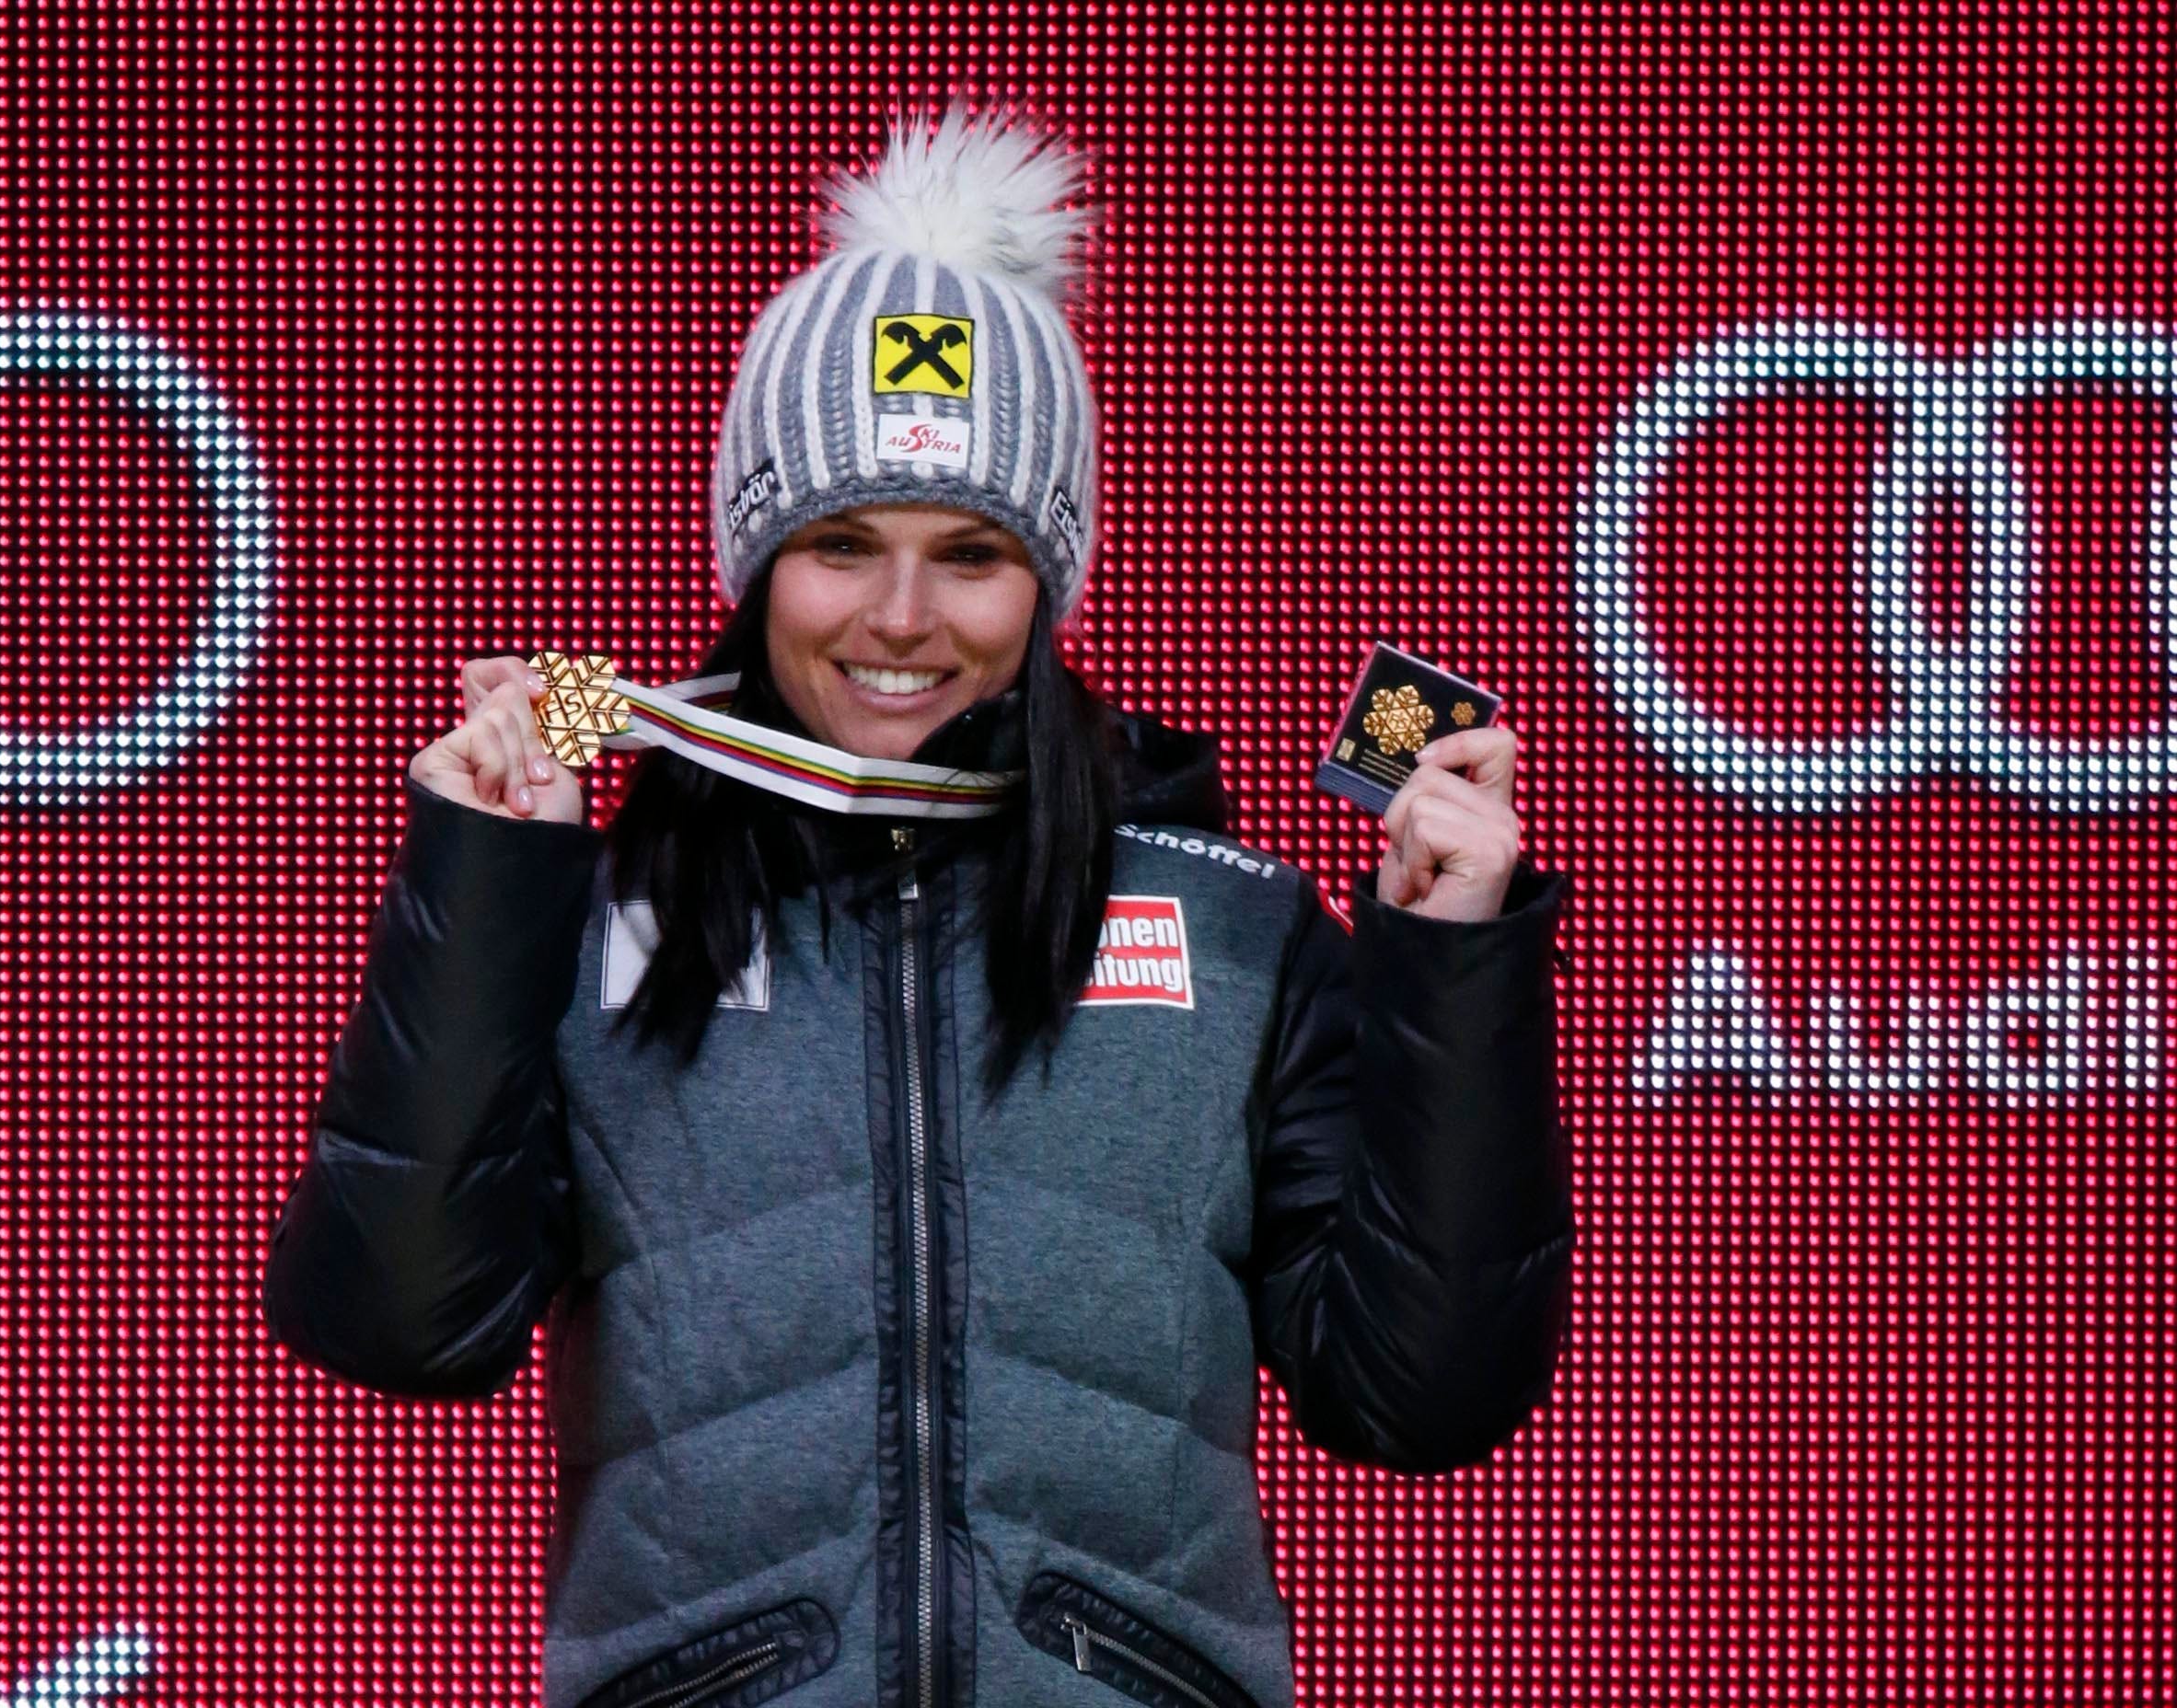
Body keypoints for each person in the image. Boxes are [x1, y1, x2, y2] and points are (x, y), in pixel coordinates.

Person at [264, 100, 1573, 1708]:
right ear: (756, 563)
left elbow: (1423, 1398)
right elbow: (400, 1325)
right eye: (839, 544)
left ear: (1051, 579)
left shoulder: (1238, 928)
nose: (899, 618)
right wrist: (484, 880)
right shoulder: (595, 919)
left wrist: (1451, 967)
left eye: (971, 553)